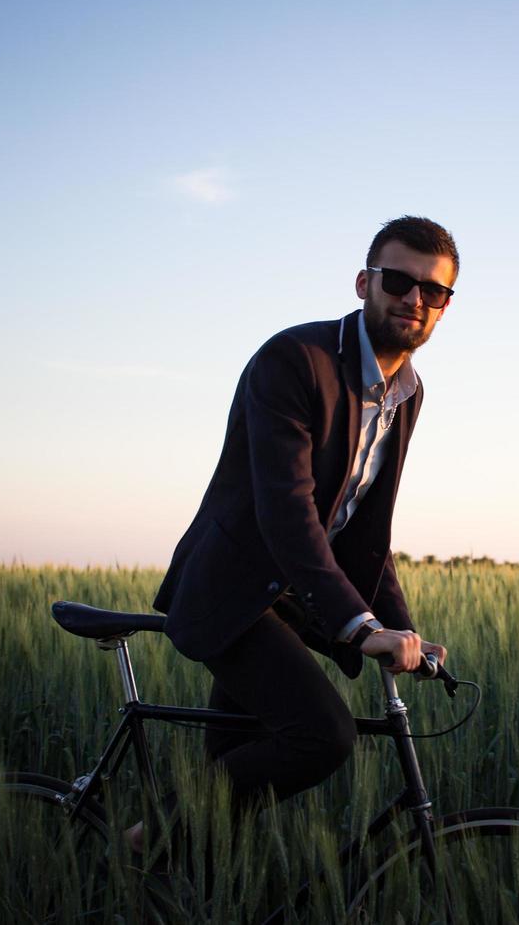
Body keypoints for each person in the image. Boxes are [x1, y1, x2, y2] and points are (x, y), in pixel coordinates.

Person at [133, 216, 459, 851]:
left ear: (446, 306)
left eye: (434, 291)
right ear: (365, 282)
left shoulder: (406, 393)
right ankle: (138, 844)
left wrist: (404, 628)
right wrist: (361, 628)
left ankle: (169, 885)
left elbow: (364, 529)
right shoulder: (296, 360)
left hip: (286, 603)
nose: (414, 300)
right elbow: (288, 512)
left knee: (227, 810)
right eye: (398, 281)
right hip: (232, 595)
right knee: (322, 737)